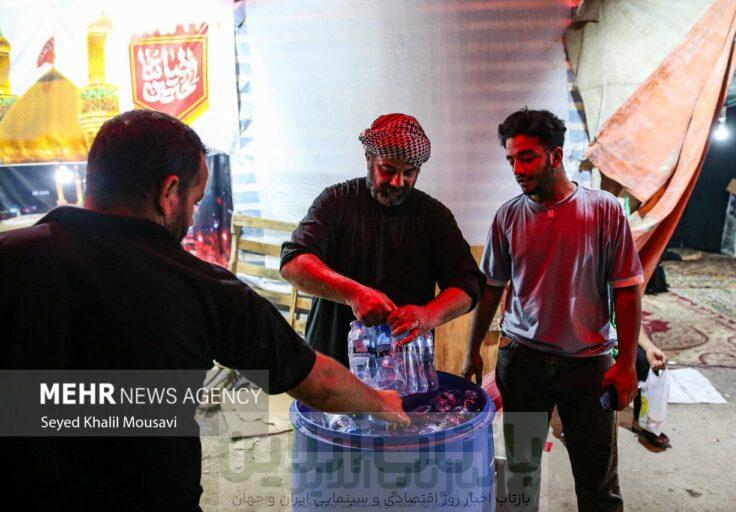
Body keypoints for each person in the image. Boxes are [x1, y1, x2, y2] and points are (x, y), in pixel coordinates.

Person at [0, 109, 407, 511]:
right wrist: (381, 402)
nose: (194, 216)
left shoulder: (11, 257)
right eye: (195, 202)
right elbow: (317, 381)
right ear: (169, 192)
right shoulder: (203, 288)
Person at [462, 108, 643, 511]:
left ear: (556, 156)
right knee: (520, 473)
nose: (517, 169)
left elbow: (627, 291)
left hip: (588, 366)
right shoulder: (508, 216)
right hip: (523, 364)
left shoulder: (604, 210)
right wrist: (471, 349)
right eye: (511, 159)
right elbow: (491, 288)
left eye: (526, 157)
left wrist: (627, 363)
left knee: (597, 480)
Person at [280, 113, 485, 366]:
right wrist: (353, 294)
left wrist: (428, 315)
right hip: (332, 361)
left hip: (403, 368)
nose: (398, 182)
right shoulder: (335, 202)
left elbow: (468, 283)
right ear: (368, 158)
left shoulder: (434, 216)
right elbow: (293, 263)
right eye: (387, 170)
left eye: (409, 172)